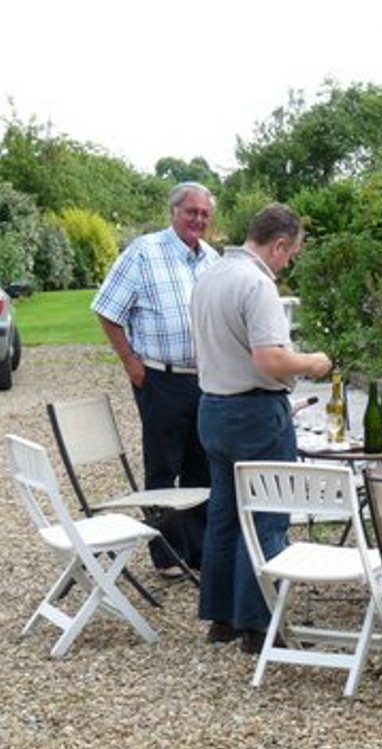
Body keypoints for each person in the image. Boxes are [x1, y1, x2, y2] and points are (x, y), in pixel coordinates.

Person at [190, 203, 332, 652]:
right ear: (279, 244)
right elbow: (270, 359)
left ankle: (222, 618)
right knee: (268, 515)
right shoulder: (257, 283)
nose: (288, 262)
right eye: (290, 254)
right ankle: (259, 624)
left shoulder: (210, 274)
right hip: (254, 412)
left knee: (225, 515)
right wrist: (313, 362)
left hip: (212, 406)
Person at [92, 181, 219, 572]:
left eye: (204, 214)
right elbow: (107, 310)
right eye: (191, 212)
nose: (198, 219)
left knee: (202, 465)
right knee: (164, 467)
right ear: (173, 211)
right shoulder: (144, 252)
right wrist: (131, 363)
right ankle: (167, 554)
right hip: (159, 378)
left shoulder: (212, 259)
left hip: (205, 380)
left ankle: (196, 552)